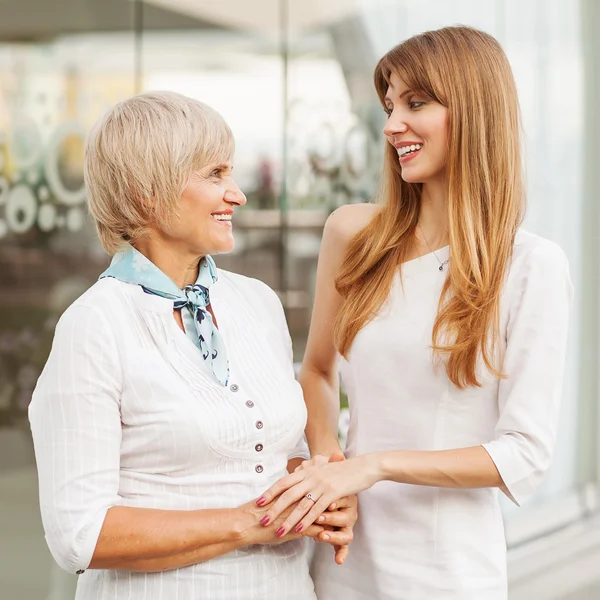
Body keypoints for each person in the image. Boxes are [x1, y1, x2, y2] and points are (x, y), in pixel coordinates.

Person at [253, 26, 574, 599]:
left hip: (448, 571)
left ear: (474, 111)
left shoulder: (531, 267)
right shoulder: (352, 233)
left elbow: (522, 454)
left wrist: (372, 466)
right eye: (389, 105)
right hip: (343, 558)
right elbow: (318, 372)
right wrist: (331, 468)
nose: (392, 124)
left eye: (416, 103)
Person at [28, 91, 356, 600]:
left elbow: (275, 457)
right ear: (145, 192)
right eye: (215, 174)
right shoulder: (94, 324)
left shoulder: (257, 302)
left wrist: (321, 490)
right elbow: (80, 534)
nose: (239, 195)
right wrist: (249, 523)